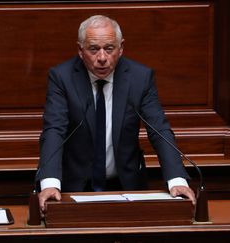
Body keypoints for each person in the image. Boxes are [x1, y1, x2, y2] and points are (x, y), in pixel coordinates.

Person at [36, 15, 196, 212]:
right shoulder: (62, 78)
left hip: (127, 186)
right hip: (74, 187)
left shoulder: (140, 78)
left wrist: (176, 180)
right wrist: (50, 183)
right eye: (93, 49)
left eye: (109, 48)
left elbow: (159, 129)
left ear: (121, 48)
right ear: (80, 50)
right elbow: (54, 129)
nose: (102, 58)